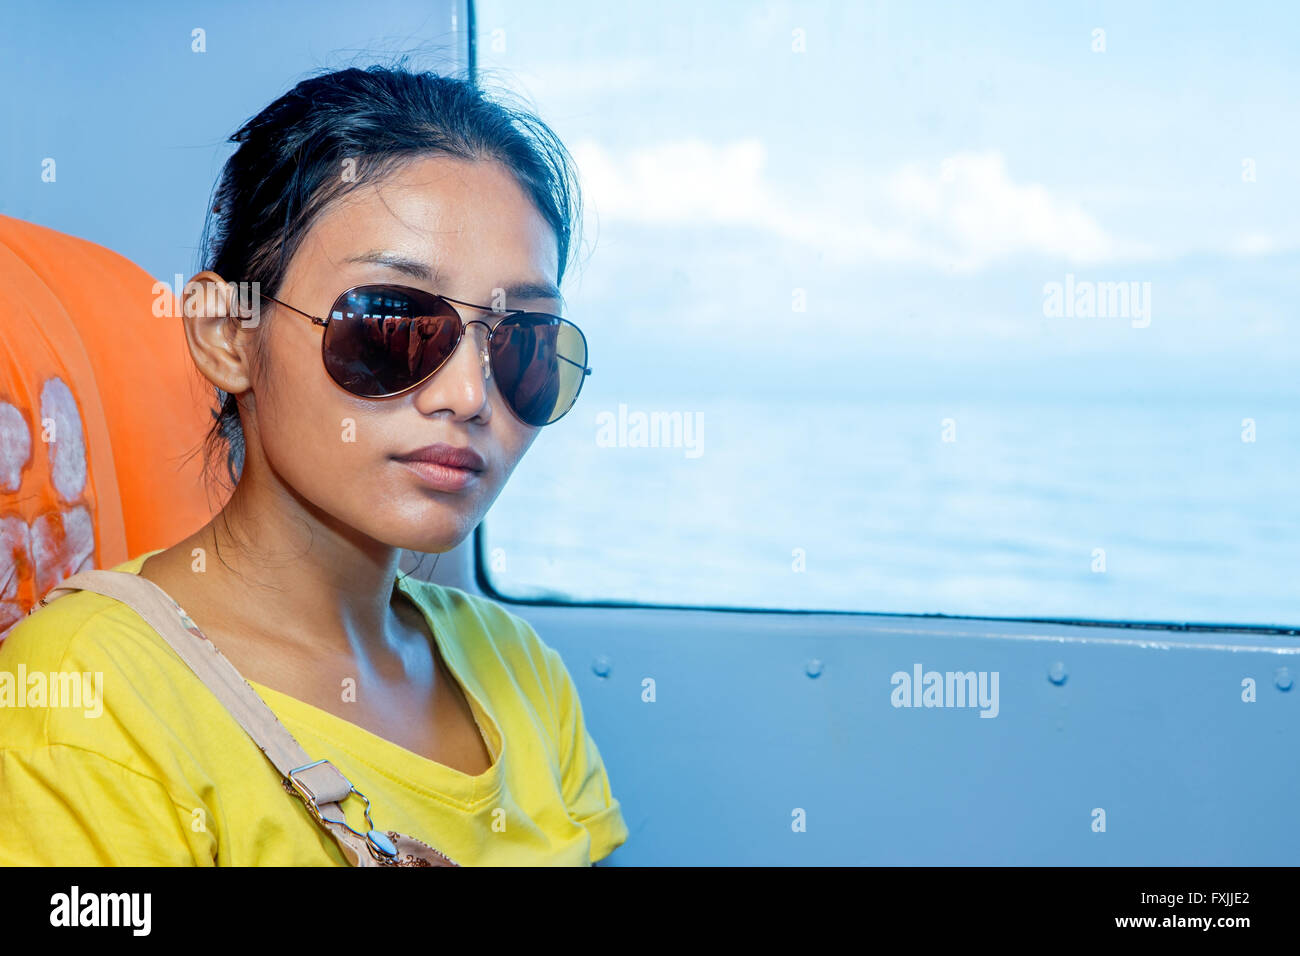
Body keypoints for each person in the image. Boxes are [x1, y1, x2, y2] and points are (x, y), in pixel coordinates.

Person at [0, 63, 628, 866]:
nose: (470, 395)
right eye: (392, 324)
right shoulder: (86, 699)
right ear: (229, 335)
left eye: (524, 343)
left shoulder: (518, 668)